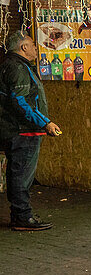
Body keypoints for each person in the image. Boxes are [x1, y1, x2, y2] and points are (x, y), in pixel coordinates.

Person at [0, 31, 62, 231]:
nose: (36, 48)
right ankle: (22, 218)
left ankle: (20, 215)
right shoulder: (17, 68)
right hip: (23, 131)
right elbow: (20, 102)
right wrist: (45, 123)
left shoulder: (15, 65)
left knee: (19, 173)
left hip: (18, 130)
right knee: (21, 175)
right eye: (32, 44)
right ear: (23, 47)